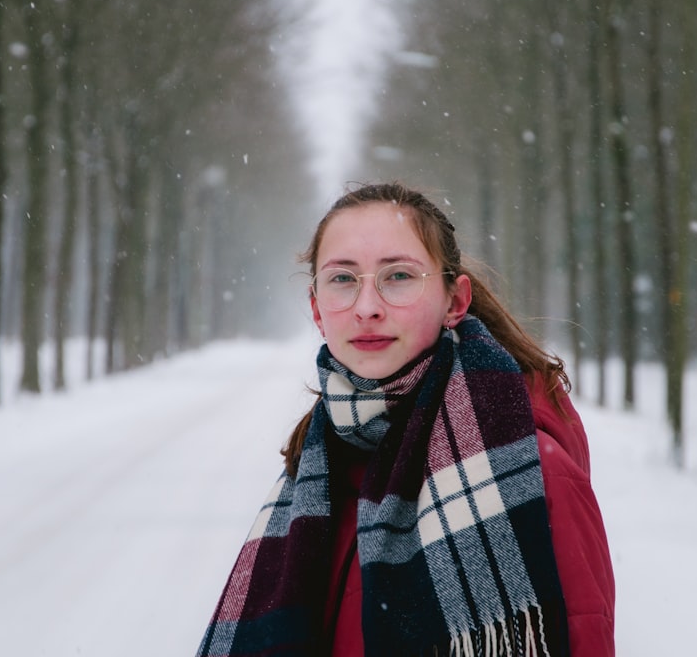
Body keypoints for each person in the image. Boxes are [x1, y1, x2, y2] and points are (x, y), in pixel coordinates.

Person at [195, 183, 615, 657]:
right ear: (316, 308)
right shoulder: (313, 477)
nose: (367, 306)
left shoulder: (534, 473)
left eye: (398, 276)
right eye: (342, 279)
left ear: (454, 302)